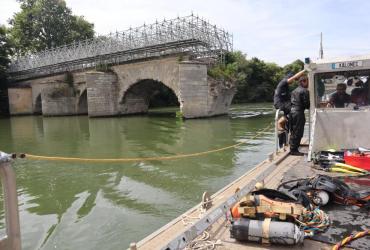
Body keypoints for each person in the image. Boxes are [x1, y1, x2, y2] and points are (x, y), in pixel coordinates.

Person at [289, 75, 310, 156]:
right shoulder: (304, 91)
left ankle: (292, 148)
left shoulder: (294, 91)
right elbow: (307, 104)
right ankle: (294, 150)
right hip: (298, 112)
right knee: (298, 131)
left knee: (293, 130)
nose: (308, 83)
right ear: (303, 82)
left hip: (292, 112)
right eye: (307, 82)